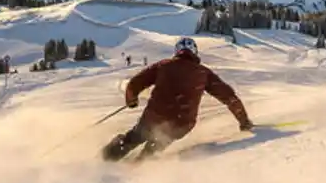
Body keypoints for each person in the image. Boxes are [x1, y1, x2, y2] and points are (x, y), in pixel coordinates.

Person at [102, 37, 253, 161]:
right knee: (157, 144)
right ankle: (141, 163)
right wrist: (244, 121)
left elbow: (135, 83)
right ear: (195, 53)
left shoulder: (164, 65)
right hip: (182, 123)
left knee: (132, 138)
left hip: (154, 117)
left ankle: (104, 160)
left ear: (177, 51)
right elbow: (229, 97)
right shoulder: (203, 73)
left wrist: (131, 99)